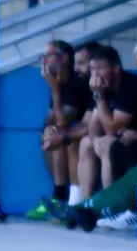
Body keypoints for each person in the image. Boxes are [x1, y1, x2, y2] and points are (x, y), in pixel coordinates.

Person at [72, 43, 137, 210]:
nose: (95, 74)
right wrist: (95, 139)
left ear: (116, 68)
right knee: (87, 143)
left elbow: (111, 128)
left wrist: (99, 96)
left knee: (109, 145)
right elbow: (94, 125)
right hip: (121, 136)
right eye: (92, 69)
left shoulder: (129, 86)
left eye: (100, 69)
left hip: (132, 138)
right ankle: (84, 205)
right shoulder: (102, 87)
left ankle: (111, 207)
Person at [30, 39, 91, 221]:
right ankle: (59, 195)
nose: (44, 61)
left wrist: (55, 90)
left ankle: (63, 198)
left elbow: (63, 121)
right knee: (49, 133)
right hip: (70, 134)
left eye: (48, 56)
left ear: (64, 58)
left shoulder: (75, 83)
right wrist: (49, 126)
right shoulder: (58, 81)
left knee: (59, 135)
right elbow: (52, 116)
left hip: (83, 134)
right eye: (43, 56)